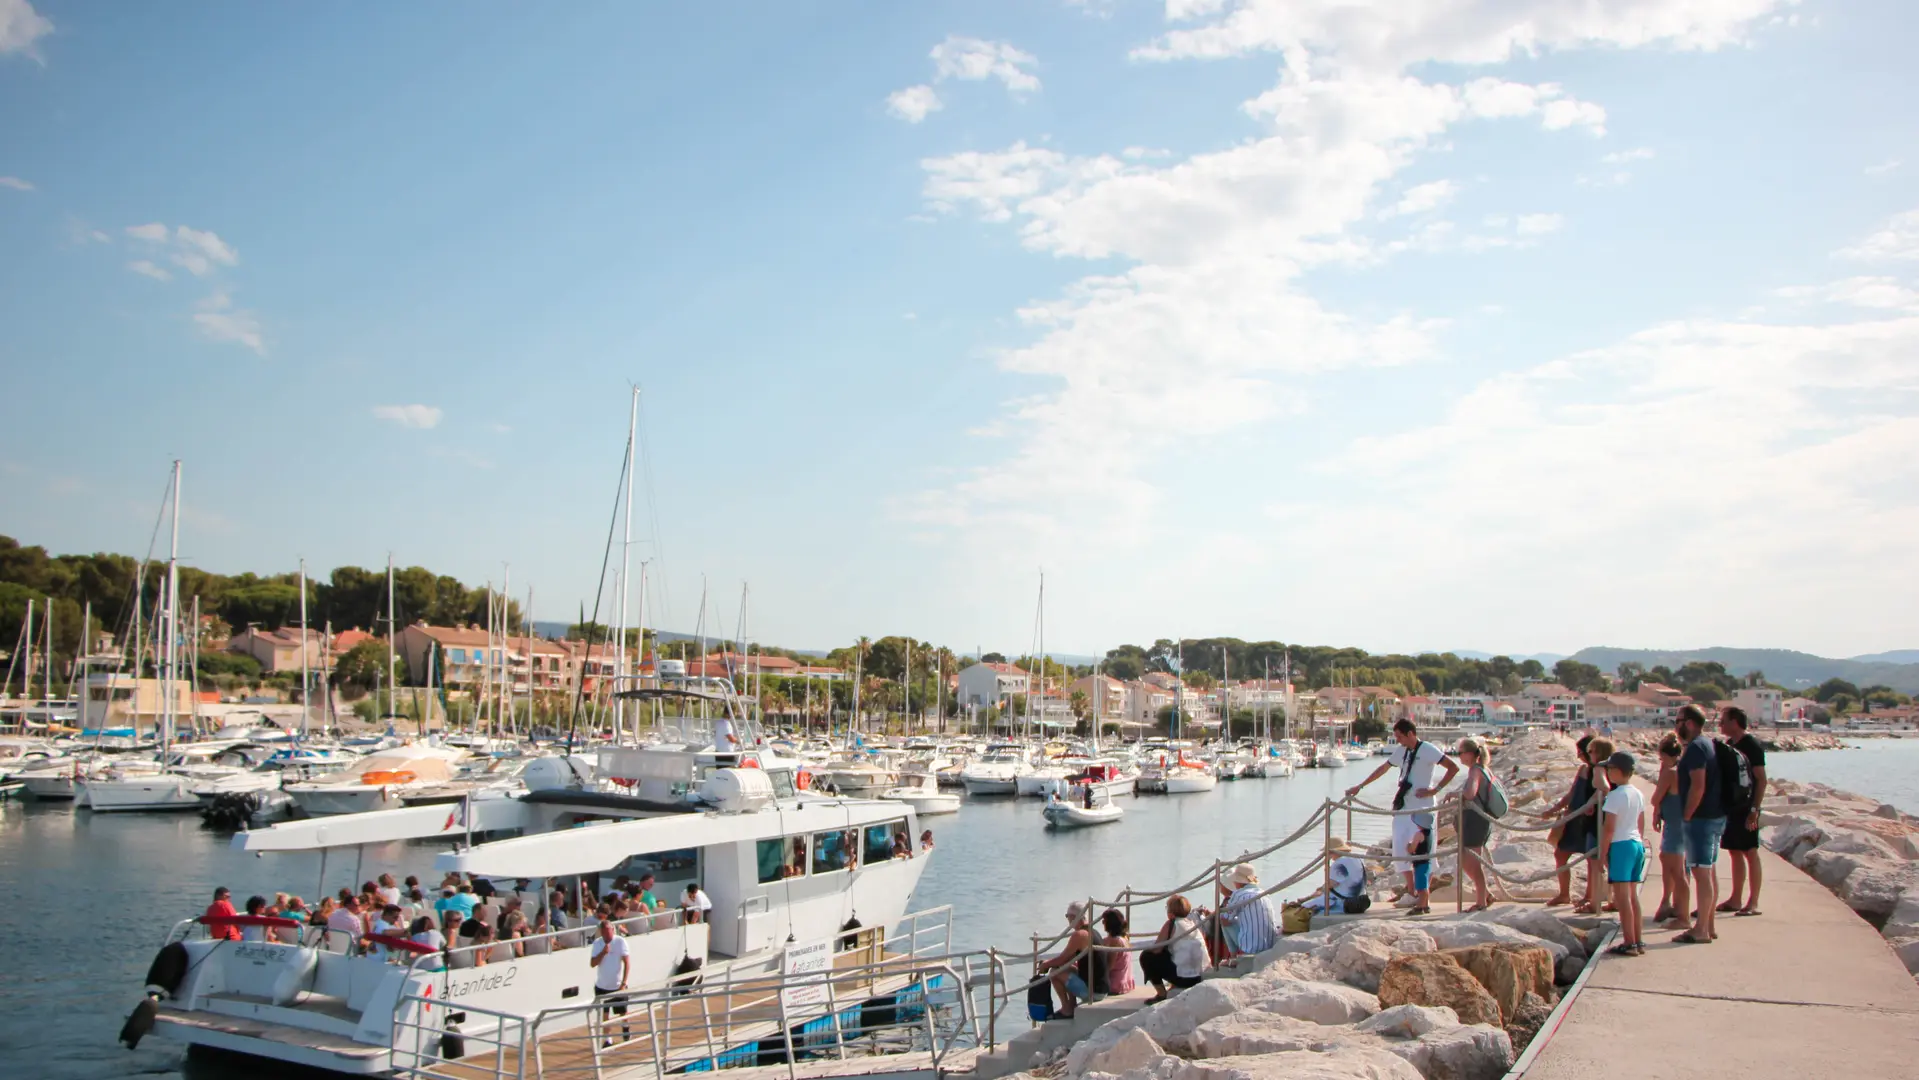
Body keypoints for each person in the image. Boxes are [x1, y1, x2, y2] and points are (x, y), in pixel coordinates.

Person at [1346, 720, 1458, 915]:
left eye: (1399, 736)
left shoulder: (1428, 749)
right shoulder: (1402, 752)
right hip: (1403, 807)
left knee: (1424, 853)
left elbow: (1453, 767)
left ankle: (1423, 898)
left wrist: (1435, 790)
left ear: (1410, 734)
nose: (1397, 740)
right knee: (1400, 849)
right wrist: (1360, 786)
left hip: (1422, 808)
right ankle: (1412, 891)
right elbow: (1383, 768)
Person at [1674, 704, 1724, 945]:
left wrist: (1687, 815)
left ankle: (1701, 929)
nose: (1676, 725)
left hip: (1700, 820)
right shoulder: (1707, 744)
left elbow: (1698, 785)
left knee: (1701, 874)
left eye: (1678, 720)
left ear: (1690, 723)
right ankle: (1708, 924)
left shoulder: (1695, 748)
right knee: (1709, 871)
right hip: (1713, 817)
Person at [1717, 706, 1768, 917]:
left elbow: (1762, 779)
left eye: (1723, 721)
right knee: (1734, 851)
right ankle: (1735, 898)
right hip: (1732, 806)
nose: (1720, 725)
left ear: (1735, 722)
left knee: (1750, 851)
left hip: (1748, 806)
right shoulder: (1729, 746)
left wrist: (1755, 809)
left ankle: (1753, 902)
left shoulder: (1751, 745)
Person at [1599, 751, 1649, 956]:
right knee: (1632, 896)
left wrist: (1603, 853)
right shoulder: (1637, 793)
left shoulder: (1615, 795)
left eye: (1609, 769)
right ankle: (1638, 940)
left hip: (1621, 845)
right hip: (1636, 842)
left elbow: (1609, 827)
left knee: (1622, 898)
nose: (1608, 772)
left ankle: (1628, 942)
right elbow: (1641, 821)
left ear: (1618, 771)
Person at [1543, 735, 1596, 907]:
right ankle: (1564, 894)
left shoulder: (1601, 772)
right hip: (1573, 819)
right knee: (1560, 854)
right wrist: (1554, 809)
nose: (1578, 755)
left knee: (1591, 859)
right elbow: (1572, 794)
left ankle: (1589, 897)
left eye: (1581, 752)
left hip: (1590, 821)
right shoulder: (1582, 770)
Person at [1648, 735, 1688, 926]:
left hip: (1674, 824)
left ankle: (1681, 912)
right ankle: (1673, 903)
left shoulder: (1671, 773)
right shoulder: (1684, 770)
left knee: (1674, 867)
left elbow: (1655, 798)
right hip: (1680, 822)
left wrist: (1656, 808)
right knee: (1676, 866)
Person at [1139, 896, 1207, 1004]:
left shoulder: (1172, 923)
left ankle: (1161, 994)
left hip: (1183, 978)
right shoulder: (1192, 923)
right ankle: (1172, 985)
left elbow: (1157, 949)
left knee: (1146, 957)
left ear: (1170, 911)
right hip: (1199, 976)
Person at [1576, 737, 1616, 915]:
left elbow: (1604, 788)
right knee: (1602, 861)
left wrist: (1598, 769)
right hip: (1597, 817)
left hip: (1601, 821)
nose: (1588, 754)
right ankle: (1609, 898)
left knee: (1597, 861)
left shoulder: (1600, 769)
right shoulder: (1607, 770)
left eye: (1591, 751)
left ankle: (1596, 902)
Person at [1453, 739, 1495, 911]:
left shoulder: (1475, 771)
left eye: (1460, 753)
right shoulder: (1482, 770)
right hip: (1476, 820)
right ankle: (1485, 895)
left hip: (1476, 821)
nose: (1459, 756)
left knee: (1472, 861)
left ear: (1470, 754)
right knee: (1465, 860)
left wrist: (1455, 795)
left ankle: (1481, 902)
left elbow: (1470, 793)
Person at [1040, 902, 1094, 1019]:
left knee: (1054, 973)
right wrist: (1051, 963)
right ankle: (1071, 1005)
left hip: (1093, 993)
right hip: (1100, 986)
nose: (1067, 919)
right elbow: (1067, 959)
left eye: (1067, 916)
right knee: (1066, 969)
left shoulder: (1079, 935)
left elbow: (1062, 959)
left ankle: (1066, 1009)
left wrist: (1045, 965)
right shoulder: (1091, 931)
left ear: (1074, 917)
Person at [1217, 863, 1277, 957]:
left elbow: (1226, 920)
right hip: (1270, 945)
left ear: (1238, 882)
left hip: (1251, 947)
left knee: (1223, 917)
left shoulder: (1239, 894)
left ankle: (1233, 957)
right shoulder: (1264, 893)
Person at [590, 919, 631, 1047]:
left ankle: (625, 1027)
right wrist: (603, 952)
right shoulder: (597, 944)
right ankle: (608, 1039)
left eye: (609, 931)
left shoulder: (620, 941)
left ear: (613, 930)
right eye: (605, 932)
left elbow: (627, 962)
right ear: (601, 932)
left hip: (618, 985)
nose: (608, 934)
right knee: (605, 1014)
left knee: (622, 1012)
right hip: (602, 986)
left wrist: (624, 982)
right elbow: (592, 964)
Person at [1300, 838, 1368, 914]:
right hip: (1362, 902)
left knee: (1305, 907)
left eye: (1329, 853)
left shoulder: (1339, 863)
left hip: (1347, 904)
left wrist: (1327, 873)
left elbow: (1330, 885)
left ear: (1333, 851)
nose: (1330, 857)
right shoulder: (1357, 859)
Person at [1100, 909, 1135, 994]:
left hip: (1115, 985)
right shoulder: (1125, 938)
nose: (1102, 923)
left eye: (1104, 921)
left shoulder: (1114, 941)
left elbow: (1110, 966)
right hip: (1127, 983)